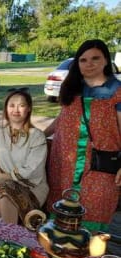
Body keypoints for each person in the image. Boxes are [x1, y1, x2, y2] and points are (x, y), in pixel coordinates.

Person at [44, 39, 121, 227]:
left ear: (105, 61)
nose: (89, 64)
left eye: (95, 58)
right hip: (64, 164)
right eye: (83, 60)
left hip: (99, 167)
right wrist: (39, 135)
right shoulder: (72, 88)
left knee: (93, 217)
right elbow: (63, 118)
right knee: (59, 218)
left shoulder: (117, 92)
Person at [0, 89, 49, 224]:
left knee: (4, 189)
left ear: (29, 109)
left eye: (21, 105)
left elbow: (32, 169)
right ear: (6, 108)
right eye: (12, 105)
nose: (16, 109)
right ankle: (7, 234)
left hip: (32, 188)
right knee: (4, 190)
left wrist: (3, 177)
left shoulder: (36, 136)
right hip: (4, 184)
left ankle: (7, 236)